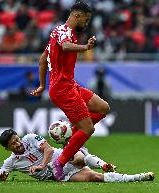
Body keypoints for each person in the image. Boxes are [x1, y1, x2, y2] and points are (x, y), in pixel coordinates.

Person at [31, 1, 110, 181]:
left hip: (69, 85)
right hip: (63, 89)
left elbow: (43, 60)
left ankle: (72, 136)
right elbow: (66, 47)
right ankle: (60, 162)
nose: (87, 23)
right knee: (88, 129)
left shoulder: (58, 33)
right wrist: (86, 47)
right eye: (86, 19)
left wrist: (43, 85)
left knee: (103, 108)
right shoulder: (63, 32)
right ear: (77, 16)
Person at [0, 129, 154, 183]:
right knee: (95, 177)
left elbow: (47, 150)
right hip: (58, 175)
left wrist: (42, 165)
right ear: (7, 148)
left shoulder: (30, 138)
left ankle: (103, 164)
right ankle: (138, 177)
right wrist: (0, 177)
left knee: (79, 158)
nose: (18, 143)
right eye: (13, 144)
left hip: (61, 157)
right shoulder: (10, 161)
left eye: (17, 139)